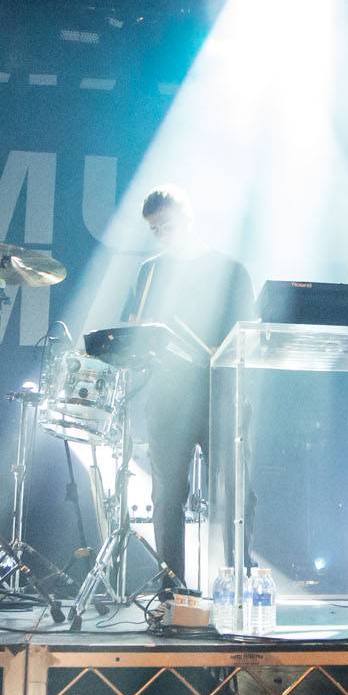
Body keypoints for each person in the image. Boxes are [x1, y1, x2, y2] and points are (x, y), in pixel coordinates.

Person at [121, 186, 254, 590]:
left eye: (168, 225)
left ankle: (239, 581)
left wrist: (215, 351)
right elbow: (132, 329)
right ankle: (171, 586)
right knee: (167, 495)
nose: (163, 234)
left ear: (190, 219)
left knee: (236, 492)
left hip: (220, 393)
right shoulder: (150, 271)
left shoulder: (230, 270)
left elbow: (248, 335)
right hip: (167, 396)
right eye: (155, 230)